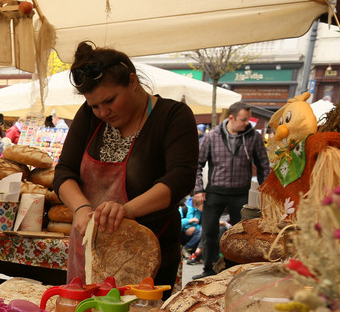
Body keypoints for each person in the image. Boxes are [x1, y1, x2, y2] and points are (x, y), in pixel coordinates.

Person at [53, 41, 199, 289]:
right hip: (91, 249)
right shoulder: (89, 116)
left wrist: (127, 210)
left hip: (148, 253)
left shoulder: (172, 116)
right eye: (95, 105)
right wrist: (80, 207)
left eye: (109, 101)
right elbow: (64, 171)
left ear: (132, 81)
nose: (102, 112)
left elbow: (180, 178)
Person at [192, 101, 270, 278]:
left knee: (241, 235)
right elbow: (196, 165)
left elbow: (263, 165)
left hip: (241, 194)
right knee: (209, 232)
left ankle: (233, 270)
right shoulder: (212, 136)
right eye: (243, 119)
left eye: (247, 119)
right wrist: (198, 190)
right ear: (231, 118)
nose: (246, 123)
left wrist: (266, 191)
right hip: (215, 192)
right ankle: (210, 269)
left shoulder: (253, 137)